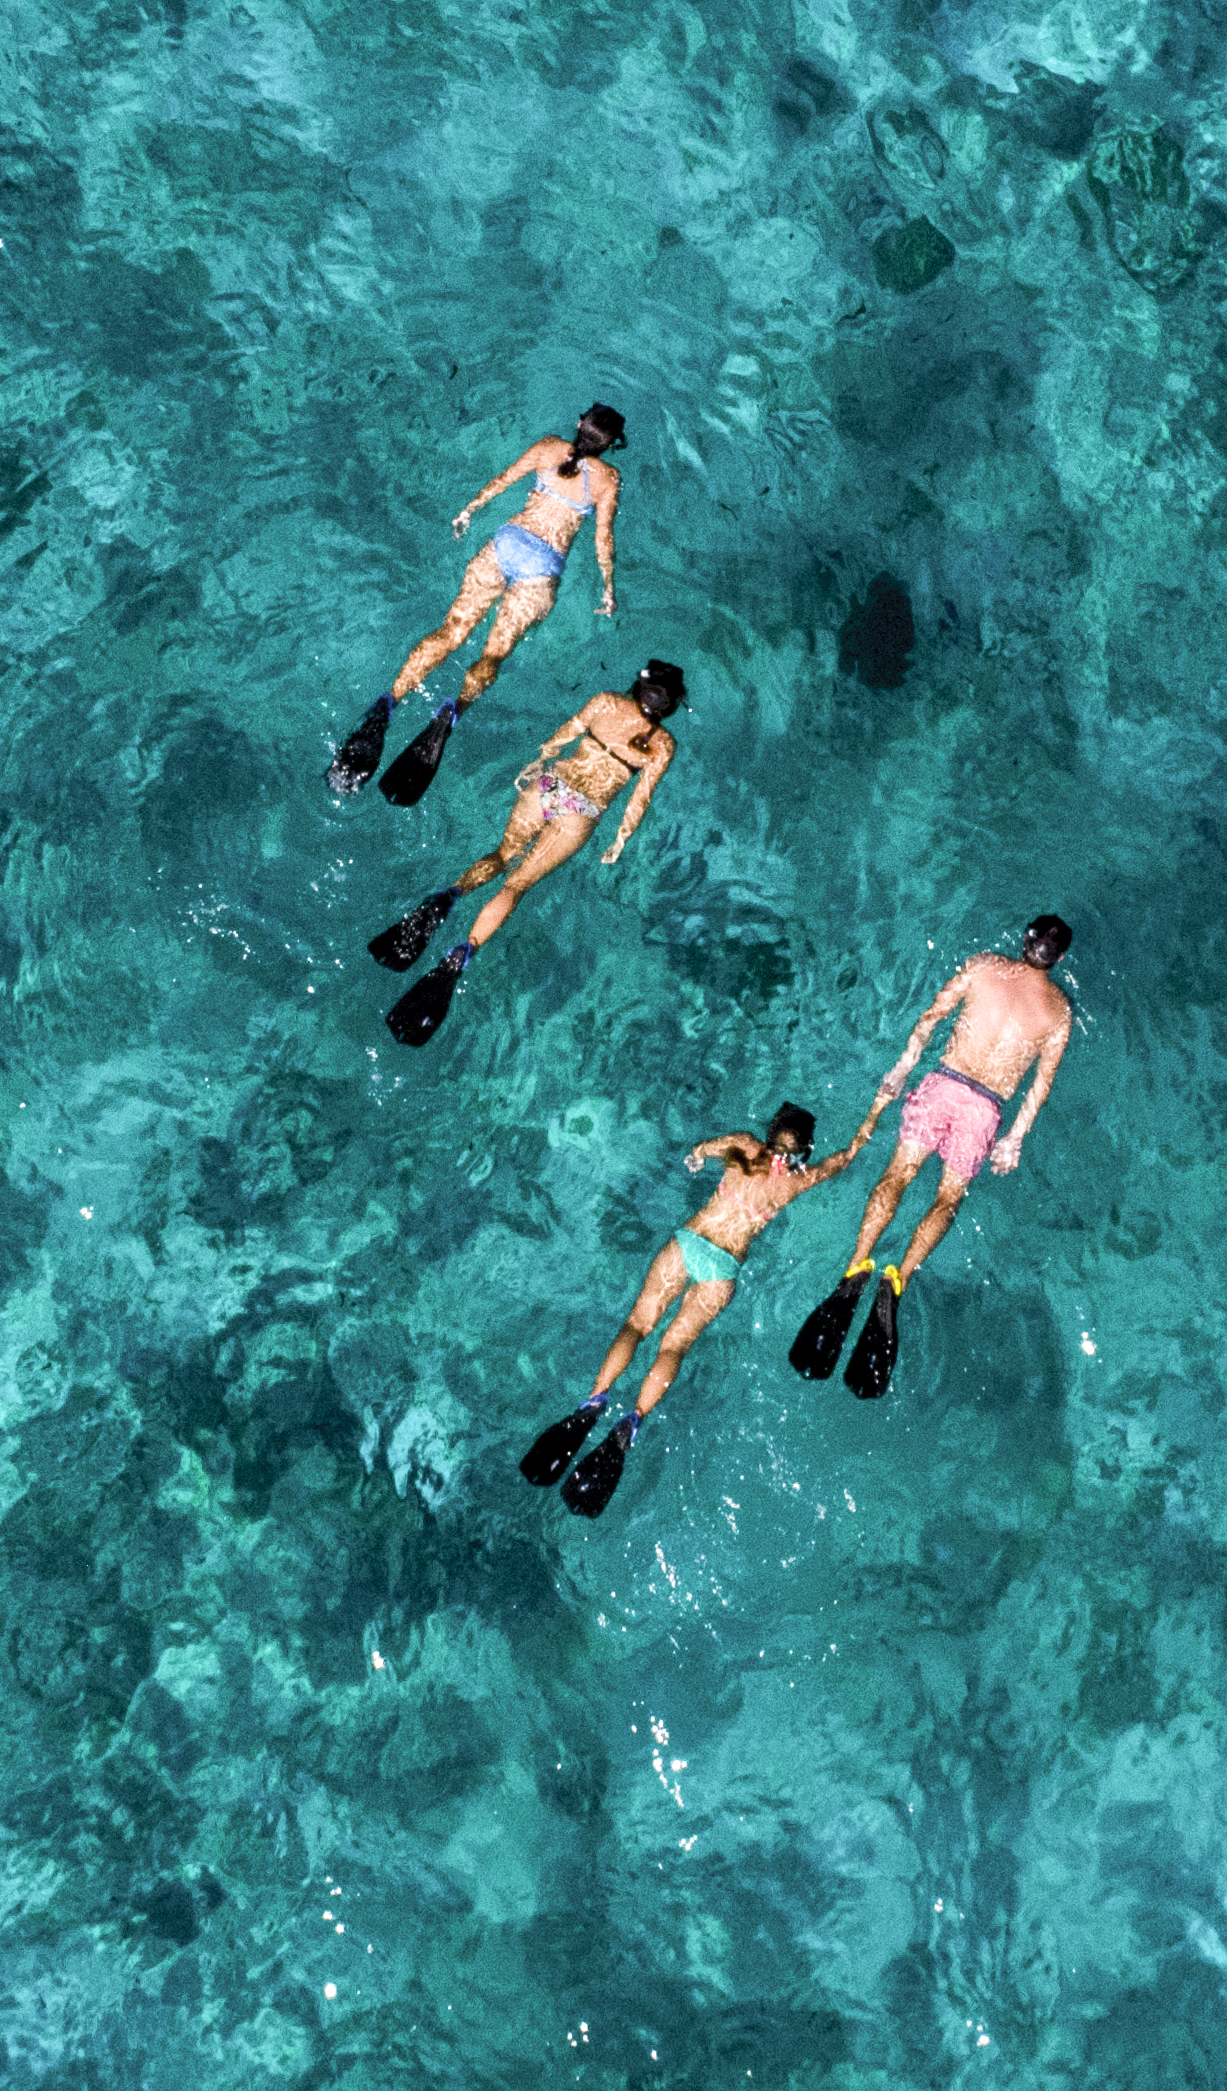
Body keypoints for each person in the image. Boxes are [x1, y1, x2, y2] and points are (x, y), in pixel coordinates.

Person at [521, 1102, 865, 1515]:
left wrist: (697, 1156)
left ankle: (594, 1403)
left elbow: (702, 1149)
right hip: (722, 1271)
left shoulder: (745, 1145)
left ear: (773, 1130)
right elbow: (842, 1161)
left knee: (637, 1323)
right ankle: (631, 1423)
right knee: (673, 1348)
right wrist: (872, 1120)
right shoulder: (796, 1179)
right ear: (804, 1147)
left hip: (689, 1245)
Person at [789, 915, 1077, 1400]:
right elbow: (1041, 1085)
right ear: (1061, 959)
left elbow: (931, 1016)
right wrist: (1015, 1139)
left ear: (1024, 938)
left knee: (897, 1175)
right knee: (947, 1198)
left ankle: (858, 1264)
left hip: (944, 1082)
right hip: (986, 1107)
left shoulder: (984, 966)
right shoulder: (1059, 1013)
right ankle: (896, 1281)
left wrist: (903, 1065)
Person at [367, 660, 684, 1047]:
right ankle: (463, 952)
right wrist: (620, 838)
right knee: (516, 886)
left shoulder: (606, 702)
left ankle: (448, 897)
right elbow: (640, 797)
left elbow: (563, 736)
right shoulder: (662, 744)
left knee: (501, 855)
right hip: (581, 814)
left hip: (551, 784)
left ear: (638, 685)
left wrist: (538, 761)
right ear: (669, 706)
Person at [330, 404, 628, 803]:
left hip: (506, 544)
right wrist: (608, 587)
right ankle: (451, 714)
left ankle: (390, 701)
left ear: (578, 424)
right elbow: (602, 539)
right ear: (611, 445)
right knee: (493, 655)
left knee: (451, 630)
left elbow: (503, 480)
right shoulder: (608, 478)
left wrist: (468, 510)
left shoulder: (548, 448)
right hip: (541, 570)